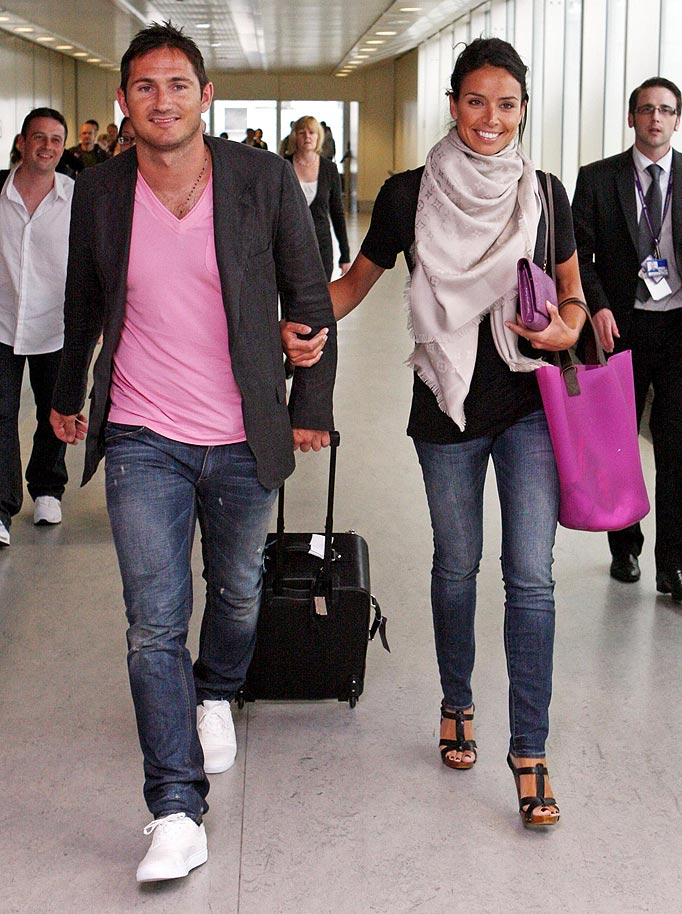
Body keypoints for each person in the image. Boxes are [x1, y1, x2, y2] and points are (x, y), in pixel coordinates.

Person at [49, 20, 336, 882]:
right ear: (123, 102)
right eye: (145, 87)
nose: (162, 101)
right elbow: (82, 305)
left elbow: (308, 289)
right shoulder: (100, 192)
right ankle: (175, 807)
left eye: (178, 85)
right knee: (150, 621)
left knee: (239, 588)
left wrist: (309, 403)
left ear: (205, 98)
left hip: (244, 429)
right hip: (144, 433)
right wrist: (67, 398)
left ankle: (217, 688)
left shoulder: (259, 179)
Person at [285, 37, 587, 828]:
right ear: (453, 104)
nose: (492, 119)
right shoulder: (407, 193)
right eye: (477, 101)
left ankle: (531, 750)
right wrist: (286, 319)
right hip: (446, 408)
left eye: (508, 104)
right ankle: (458, 701)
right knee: (456, 563)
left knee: (531, 575)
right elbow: (351, 285)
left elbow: (574, 298)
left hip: (530, 404)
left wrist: (564, 330)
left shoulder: (546, 194)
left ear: (525, 110)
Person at [572, 78, 682, 603]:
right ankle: (626, 547)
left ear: (676, 119)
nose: (655, 119)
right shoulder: (597, 179)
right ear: (631, 117)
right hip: (623, 328)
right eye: (646, 110)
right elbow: (579, 255)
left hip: (679, 330)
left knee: (677, 450)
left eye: (665, 110)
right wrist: (598, 306)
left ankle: (673, 565)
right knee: (619, 447)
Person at [0, 108, 74, 547]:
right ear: (23, 142)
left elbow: (91, 262)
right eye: (39, 138)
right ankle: (1, 507)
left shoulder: (74, 197)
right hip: (2, 324)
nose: (47, 146)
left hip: (56, 325)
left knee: (54, 412)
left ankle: (47, 489)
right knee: (1, 415)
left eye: (55, 139)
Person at [286, 116, 350, 280]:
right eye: (302, 132)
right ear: (295, 137)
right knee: (291, 299)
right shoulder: (283, 167)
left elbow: (337, 213)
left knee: (320, 298)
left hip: (321, 246)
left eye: (311, 132)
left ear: (318, 136)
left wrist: (345, 255)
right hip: (289, 246)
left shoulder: (329, 169)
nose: (307, 137)